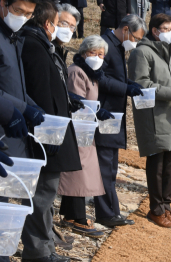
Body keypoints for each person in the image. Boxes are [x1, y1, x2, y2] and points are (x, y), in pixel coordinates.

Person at [21, 0, 82, 262]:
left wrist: (68, 99)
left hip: (52, 131)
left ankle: (47, 250)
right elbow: (39, 93)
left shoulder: (44, 45)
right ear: (48, 24)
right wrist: (47, 132)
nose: (62, 29)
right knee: (41, 197)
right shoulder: (34, 47)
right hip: (46, 135)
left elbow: (52, 86)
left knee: (46, 197)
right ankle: (38, 254)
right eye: (59, 23)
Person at [0, 0, 45, 222]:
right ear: (4, 2)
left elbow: (11, 82)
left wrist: (30, 103)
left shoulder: (12, 34)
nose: (23, 17)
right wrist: (23, 107)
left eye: (28, 14)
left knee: (2, 207)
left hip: (9, 131)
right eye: (18, 11)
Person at [129, 14, 171, 228]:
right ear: (155, 31)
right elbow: (142, 84)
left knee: (169, 166)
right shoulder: (142, 52)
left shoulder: (167, 53)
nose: (169, 31)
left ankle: (166, 207)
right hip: (154, 117)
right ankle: (155, 210)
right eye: (165, 28)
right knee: (157, 166)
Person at [96, 15, 146, 228]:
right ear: (125, 29)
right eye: (135, 37)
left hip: (115, 114)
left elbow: (115, 76)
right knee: (105, 166)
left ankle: (111, 210)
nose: (134, 43)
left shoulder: (117, 46)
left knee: (112, 165)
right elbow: (100, 78)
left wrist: (130, 83)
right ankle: (107, 213)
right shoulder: (104, 44)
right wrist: (126, 88)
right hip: (105, 113)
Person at [58, 36, 111, 238]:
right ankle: (77, 217)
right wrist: (96, 112)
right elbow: (75, 101)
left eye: (100, 54)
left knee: (82, 170)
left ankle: (70, 213)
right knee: (77, 172)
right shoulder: (76, 72)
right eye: (93, 53)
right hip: (77, 127)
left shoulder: (92, 74)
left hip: (85, 128)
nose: (97, 57)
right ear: (83, 53)